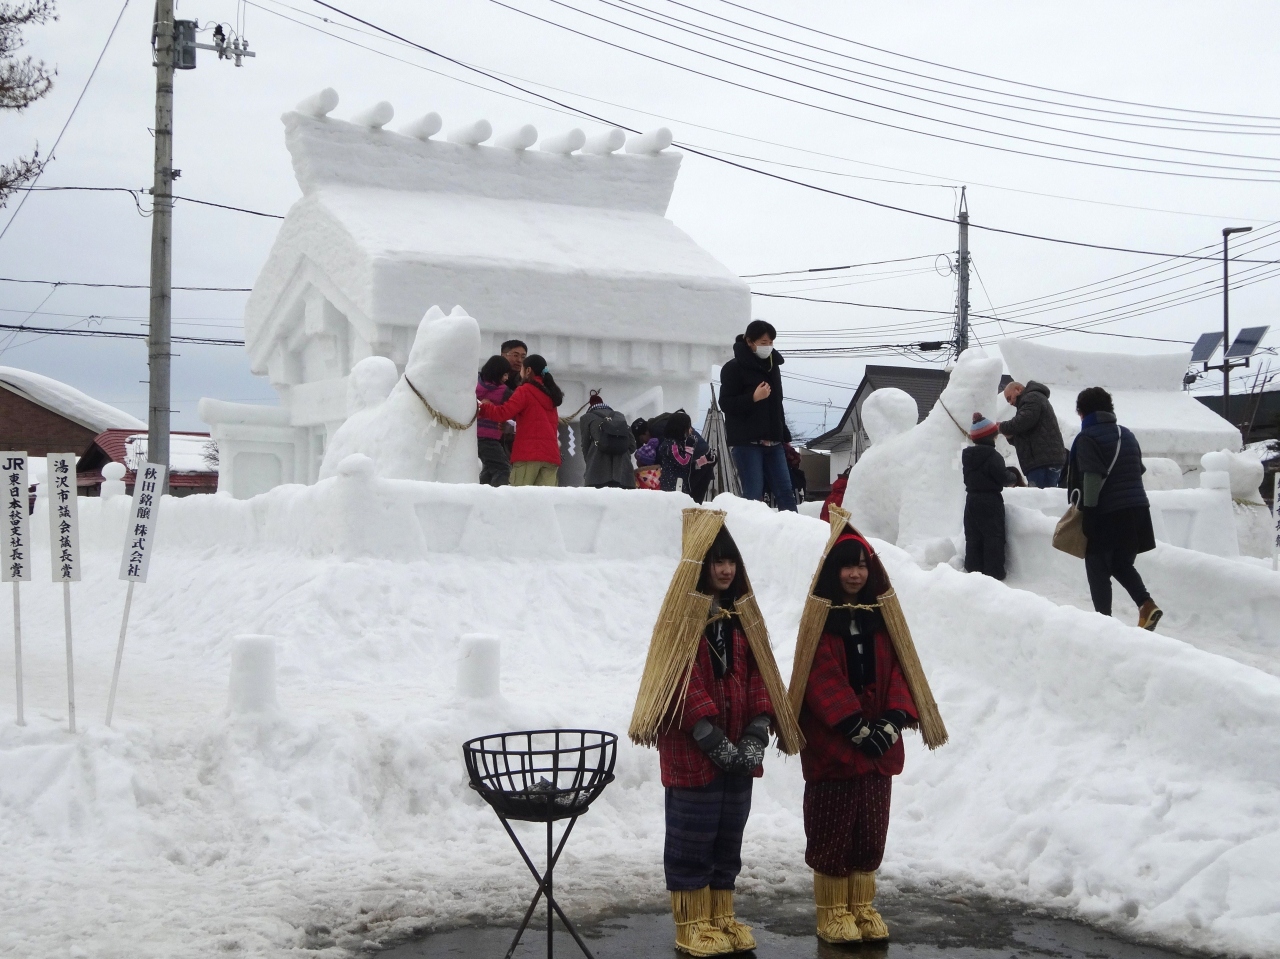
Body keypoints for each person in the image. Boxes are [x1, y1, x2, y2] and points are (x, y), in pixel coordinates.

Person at [630, 512, 802, 957]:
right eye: (716, 562)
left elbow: (758, 675)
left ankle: (721, 914)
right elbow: (679, 683)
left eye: (731, 562)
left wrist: (756, 731)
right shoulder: (679, 621)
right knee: (693, 836)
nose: (725, 570)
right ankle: (691, 923)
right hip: (694, 755)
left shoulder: (741, 617)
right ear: (700, 567)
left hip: (740, 756)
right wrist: (711, 737)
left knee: (729, 836)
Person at [793, 531, 918, 945]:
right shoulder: (819, 622)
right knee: (833, 827)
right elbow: (817, 675)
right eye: (847, 566)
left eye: (862, 565)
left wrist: (892, 720)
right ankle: (832, 913)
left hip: (878, 749)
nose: (855, 574)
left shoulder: (883, 620)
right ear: (833, 571)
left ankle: (862, 907)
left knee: (870, 828)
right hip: (836, 747)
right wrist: (853, 726)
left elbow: (904, 670)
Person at [1064, 387, 1163, 630]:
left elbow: (1092, 477)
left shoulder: (1087, 437)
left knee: (1097, 567)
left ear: (1082, 412)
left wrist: (1089, 512)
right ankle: (1146, 605)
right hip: (1137, 510)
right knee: (1120, 563)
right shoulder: (1126, 434)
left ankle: (1104, 626)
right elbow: (1137, 470)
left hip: (1106, 512)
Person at [719, 319, 797, 512]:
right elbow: (726, 403)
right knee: (753, 495)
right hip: (747, 444)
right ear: (749, 342)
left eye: (771, 342)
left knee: (786, 492)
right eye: (763, 343)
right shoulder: (733, 368)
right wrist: (753, 397)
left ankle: (796, 535)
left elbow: (776, 404)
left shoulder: (773, 367)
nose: (768, 347)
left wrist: (784, 435)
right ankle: (750, 536)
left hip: (774, 442)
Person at [476, 354, 563, 487]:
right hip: (551, 457)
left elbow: (503, 413)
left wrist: (483, 407)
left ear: (528, 371)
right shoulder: (552, 395)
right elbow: (539, 424)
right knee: (544, 501)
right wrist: (511, 427)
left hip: (528, 454)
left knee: (519, 498)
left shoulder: (525, 390)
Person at [962, 413, 1007, 580]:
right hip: (990, 500)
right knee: (993, 537)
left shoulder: (967, 456)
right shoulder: (994, 456)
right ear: (991, 436)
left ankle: (973, 572)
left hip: (971, 500)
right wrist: (1011, 477)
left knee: (973, 536)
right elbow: (1001, 477)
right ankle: (994, 574)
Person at [998, 381, 1067, 489]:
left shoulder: (1031, 397)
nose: (1010, 402)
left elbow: (1023, 421)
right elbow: (1027, 432)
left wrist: (1001, 427)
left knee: (1039, 500)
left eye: (1009, 398)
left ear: (1018, 389)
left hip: (1041, 461)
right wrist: (1011, 437)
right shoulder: (1032, 399)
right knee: (1048, 497)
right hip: (1045, 459)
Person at [580, 390, 636, 489]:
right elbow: (632, 445)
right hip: (623, 471)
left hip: (598, 470)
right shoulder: (620, 416)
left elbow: (585, 444)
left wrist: (590, 463)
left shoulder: (586, 418)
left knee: (598, 502)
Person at [476, 355, 514, 487]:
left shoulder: (475, 384)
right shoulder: (503, 391)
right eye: (504, 374)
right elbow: (511, 409)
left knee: (489, 467)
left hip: (474, 436)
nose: (506, 378)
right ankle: (498, 496)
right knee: (503, 468)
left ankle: (483, 491)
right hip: (490, 438)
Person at [657, 411, 715, 495]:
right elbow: (683, 462)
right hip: (673, 486)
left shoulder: (678, 444)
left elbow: (687, 466)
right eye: (688, 427)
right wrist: (689, 447)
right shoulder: (671, 445)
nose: (691, 430)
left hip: (680, 484)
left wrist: (705, 459)